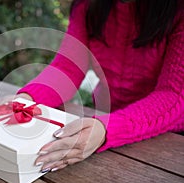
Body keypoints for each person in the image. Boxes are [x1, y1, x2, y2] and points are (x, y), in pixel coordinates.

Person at [14, 0, 184, 173]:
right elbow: (68, 68)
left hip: (163, 138)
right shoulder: (87, 5)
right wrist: (27, 98)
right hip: (102, 119)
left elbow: (173, 95)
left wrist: (108, 128)